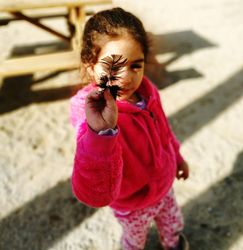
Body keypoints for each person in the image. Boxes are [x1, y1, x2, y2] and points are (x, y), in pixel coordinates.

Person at [70, 7, 189, 250]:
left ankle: (173, 244)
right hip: (131, 203)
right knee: (135, 242)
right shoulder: (90, 111)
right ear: (90, 66)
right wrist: (100, 134)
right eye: (113, 66)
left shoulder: (147, 92)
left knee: (173, 224)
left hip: (163, 185)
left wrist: (176, 156)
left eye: (136, 65)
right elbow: (93, 193)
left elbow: (164, 131)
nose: (125, 77)